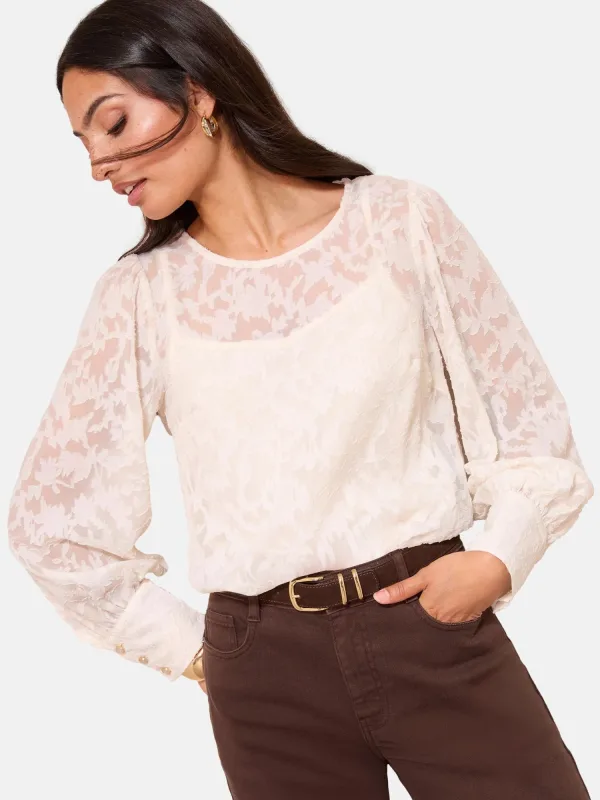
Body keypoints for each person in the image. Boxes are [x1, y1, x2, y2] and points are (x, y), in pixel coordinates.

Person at [7, 0, 594, 797]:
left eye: (112, 124)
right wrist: (201, 652)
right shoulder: (139, 297)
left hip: (433, 629)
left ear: (198, 92)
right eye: (83, 143)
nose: (99, 165)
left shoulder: (400, 221)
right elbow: (52, 524)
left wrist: (500, 557)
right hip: (265, 676)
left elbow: (525, 415)